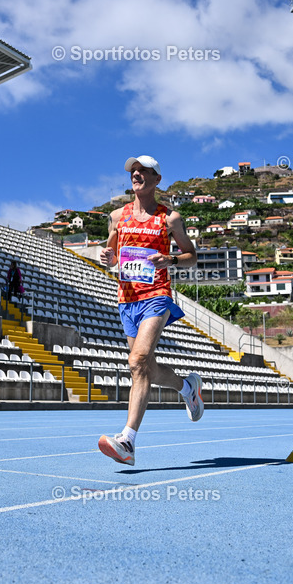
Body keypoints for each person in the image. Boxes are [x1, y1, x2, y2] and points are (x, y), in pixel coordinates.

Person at [97, 155, 203, 466]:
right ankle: (187, 387)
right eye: (134, 170)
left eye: (144, 171)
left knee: (138, 359)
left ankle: (127, 441)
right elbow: (113, 253)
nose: (137, 174)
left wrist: (169, 260)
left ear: (157, 180)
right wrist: (107, 257)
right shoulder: (117, 216)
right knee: (144, 368)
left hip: (156, 296)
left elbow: (192, 256)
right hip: (126, 299)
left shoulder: (169, 219)